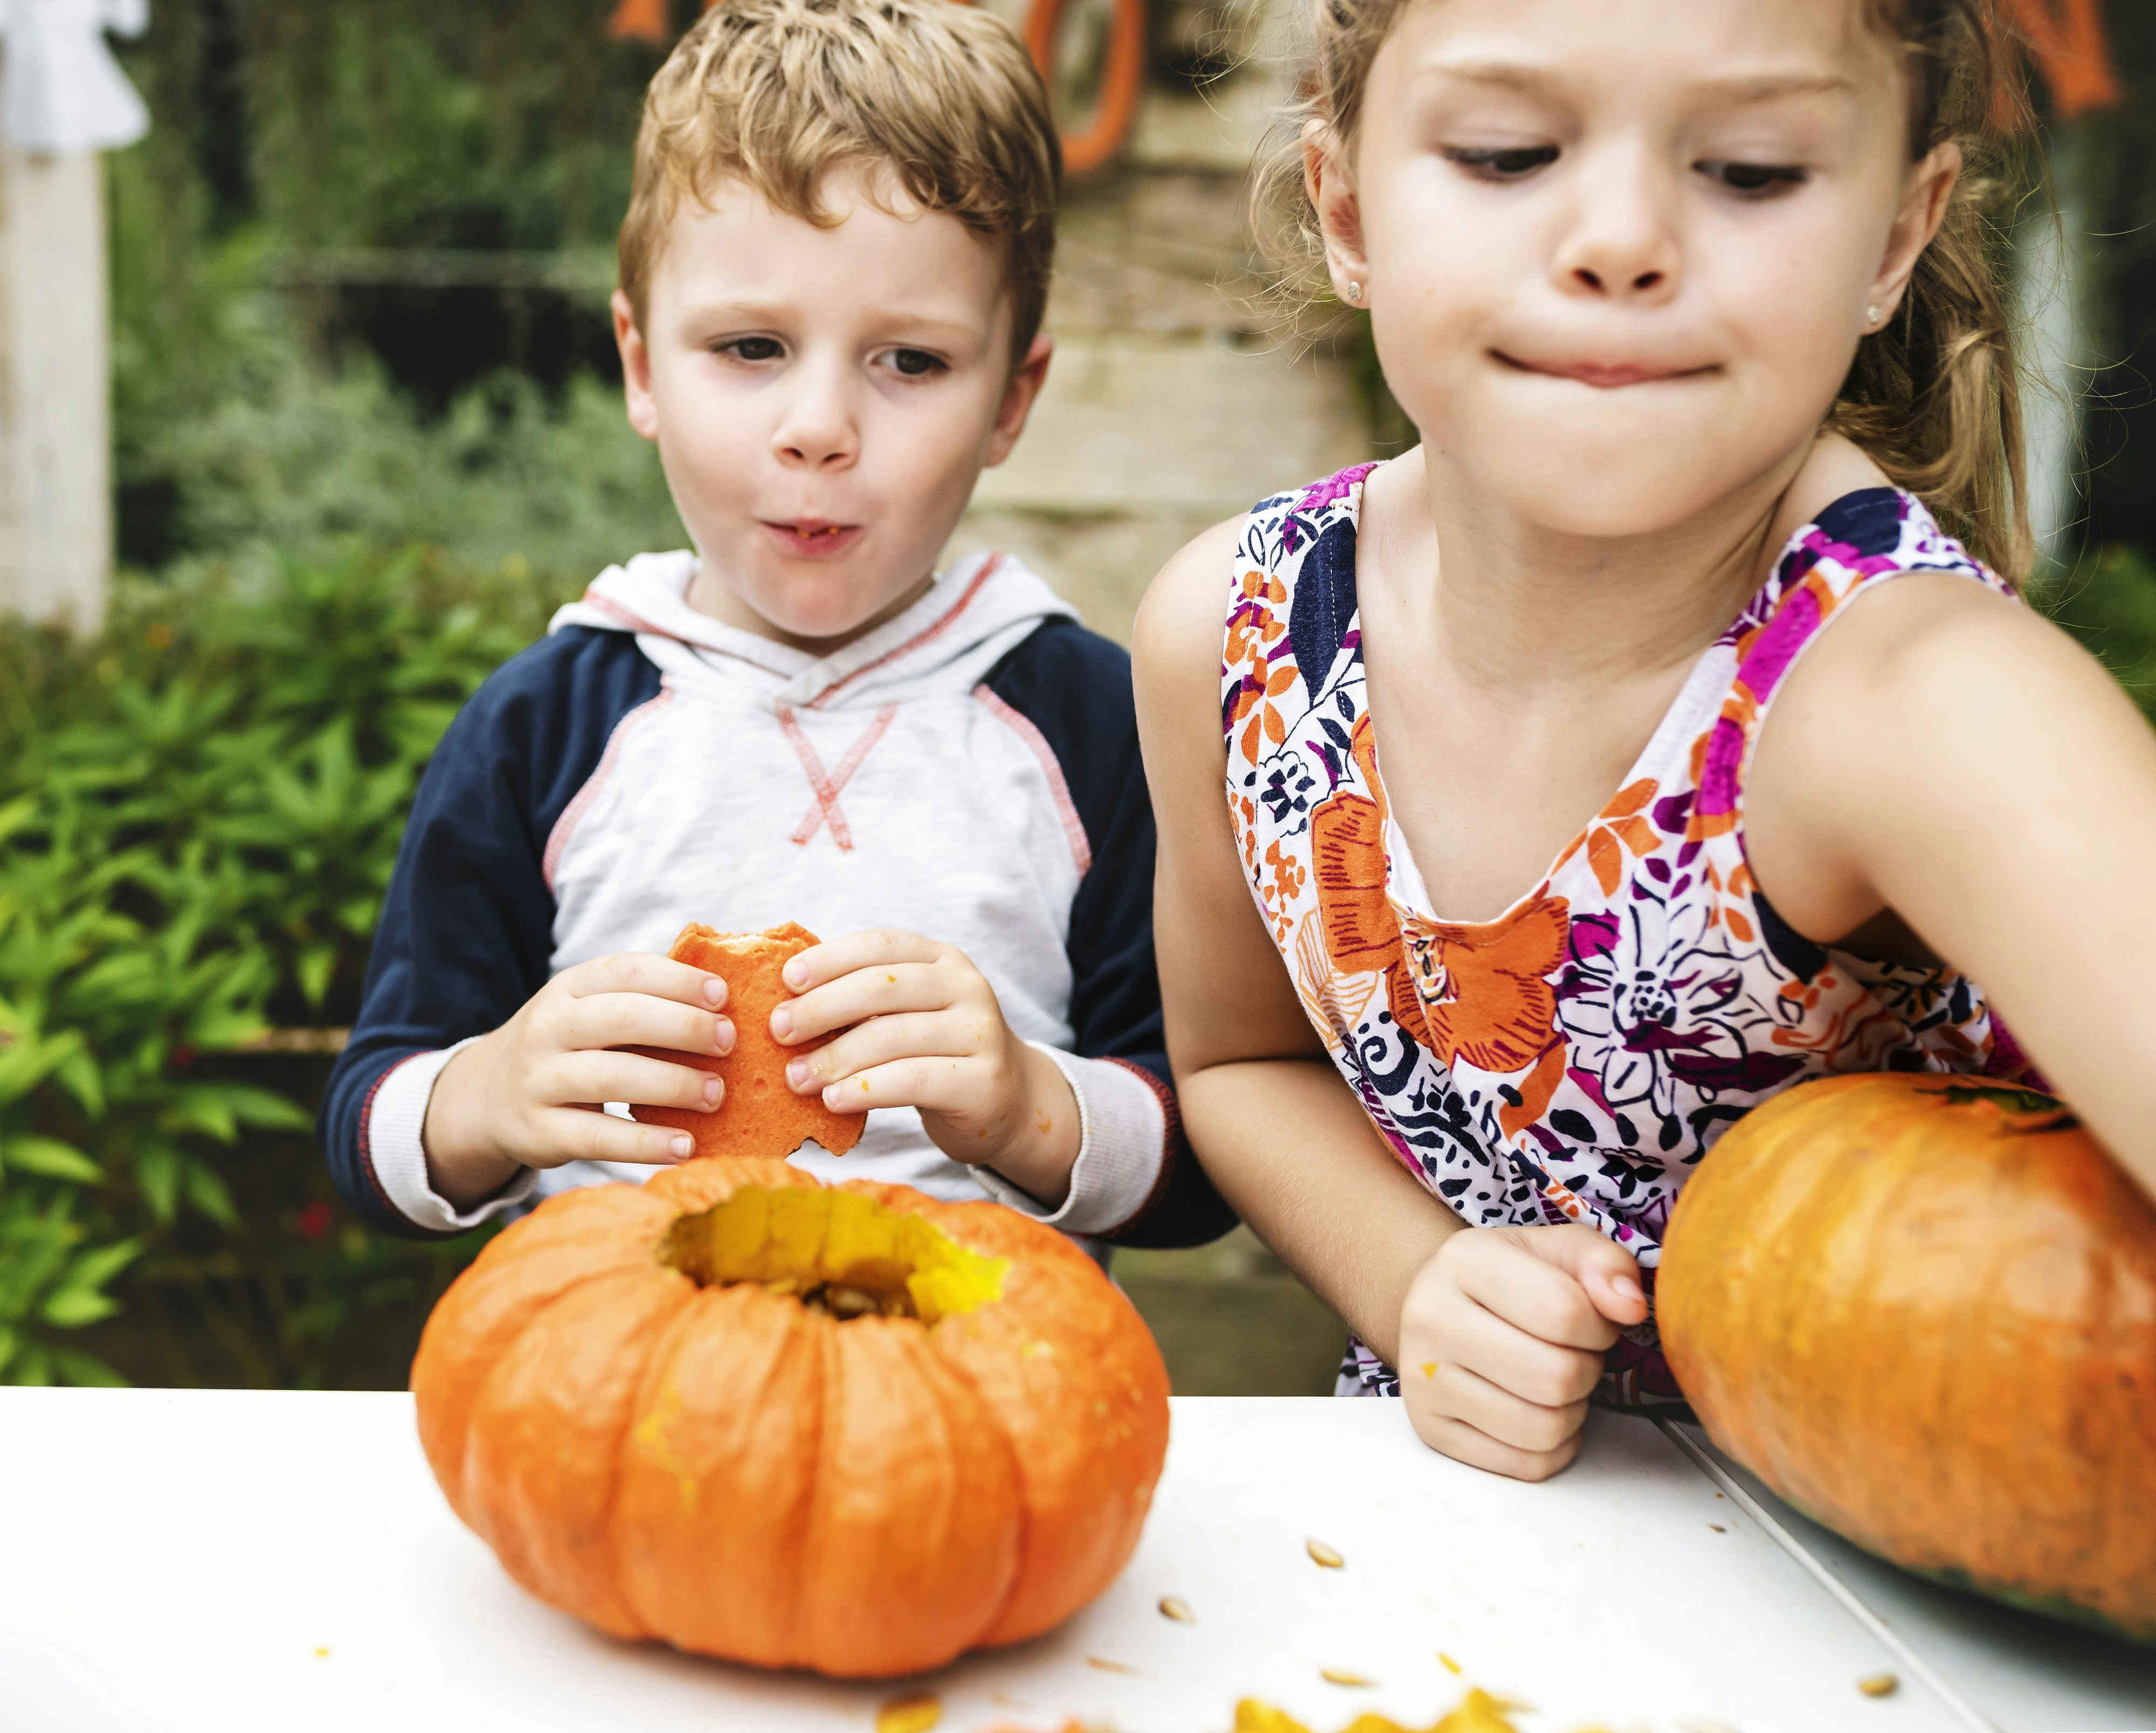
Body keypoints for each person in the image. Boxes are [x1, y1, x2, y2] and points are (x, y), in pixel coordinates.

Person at [1136, 0, 2156, 1478]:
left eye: (1748, 171)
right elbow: (1242, 1064)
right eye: (1506, 153)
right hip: (1459, 1558)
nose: (1620, 241)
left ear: (1892, 238)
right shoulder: (1236, 634)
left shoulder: (1917, 701)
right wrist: (1417, 1281)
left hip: (1906, 1581)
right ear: (1345, 208)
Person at [320, 0, 1231, 1251]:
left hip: (981, 1346)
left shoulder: (1092, 727)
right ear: (642, 364)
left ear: (1011, 399)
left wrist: (1032, 1107)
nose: (818, 429)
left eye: (909, 362)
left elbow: (1203, 1160)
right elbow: (368, 1120)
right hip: (623, 1343)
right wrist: (483, 1095)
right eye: (751, 347)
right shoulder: (543, 726)